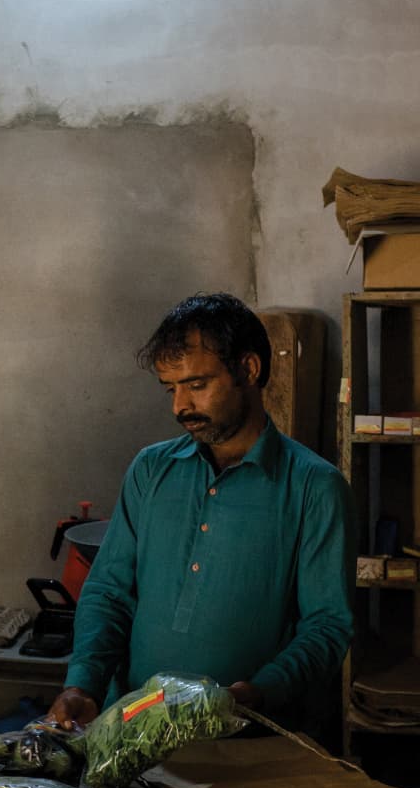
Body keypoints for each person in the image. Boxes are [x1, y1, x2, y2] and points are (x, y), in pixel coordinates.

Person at [49, 293, 354, 735]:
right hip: (129, 733)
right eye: (171, 389)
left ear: (248, 370)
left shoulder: (314, 487)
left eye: (196, 384)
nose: (180, 407)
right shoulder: (151, 469)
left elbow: (327, 625)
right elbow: (109, 592)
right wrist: (83, 684)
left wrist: (260, 691)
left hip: (246, 741)